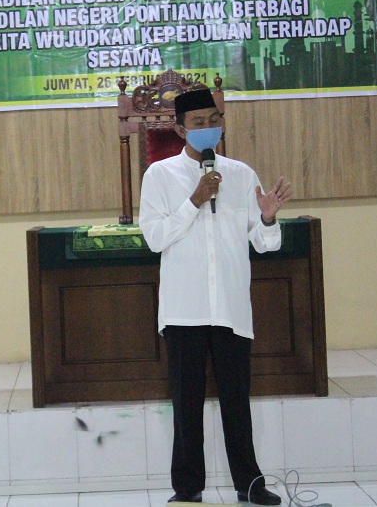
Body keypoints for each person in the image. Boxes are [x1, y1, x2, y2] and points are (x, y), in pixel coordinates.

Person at [138, 88, 291, 506]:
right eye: (199, 122)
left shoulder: (241, 174)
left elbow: (265, 244)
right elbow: (155, 238)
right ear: (180, 129)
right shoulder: (160, 175)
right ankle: (187, 489)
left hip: (230, 307)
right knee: (186, 405)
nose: (208, 128)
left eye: (214, 120)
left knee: (237, 403)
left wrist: (267, 217)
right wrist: (194, 200)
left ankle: (250, 484)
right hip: (184, 309)